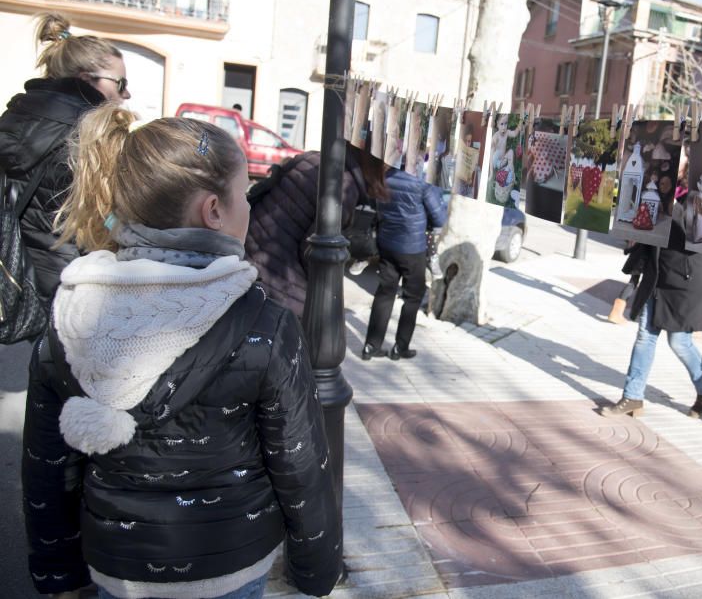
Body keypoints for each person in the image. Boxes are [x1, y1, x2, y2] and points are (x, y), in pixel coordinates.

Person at [22, 104, 340, 598]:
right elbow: (298, 462)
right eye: (244, 196)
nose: (251, 207)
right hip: (231, 562)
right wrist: (317, 569)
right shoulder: (264, 322)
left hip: (118, 566)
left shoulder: (73, 312)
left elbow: (47, 463)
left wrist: (57, 573)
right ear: (213, 211)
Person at [0, 13, 130, 315]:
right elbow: (105, 220)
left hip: (13, 275)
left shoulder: (14, 114)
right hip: (67, 287)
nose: (126, 93)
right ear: (86, 79)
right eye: (120, 83)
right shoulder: (94, 134)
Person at [598, 221, 702, 420]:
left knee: (679, 341)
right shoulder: (663, 194)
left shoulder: (701, 196)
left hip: (686, 279)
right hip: (656, 271)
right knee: (645, 336)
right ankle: (632, 397)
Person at [244, 145, 370, 318]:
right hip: (279, 283)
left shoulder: (313, 158)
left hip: (250, 256)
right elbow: (314, 252)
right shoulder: (344, 185)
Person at [362, 152, 447, 360]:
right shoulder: (422, 183)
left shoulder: (386, 177)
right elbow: (439, 218)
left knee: (385, 292)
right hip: (412, 248)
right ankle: (400, 347)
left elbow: (376, 207)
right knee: (413, 296)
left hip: (387, 244)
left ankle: (371, 346)